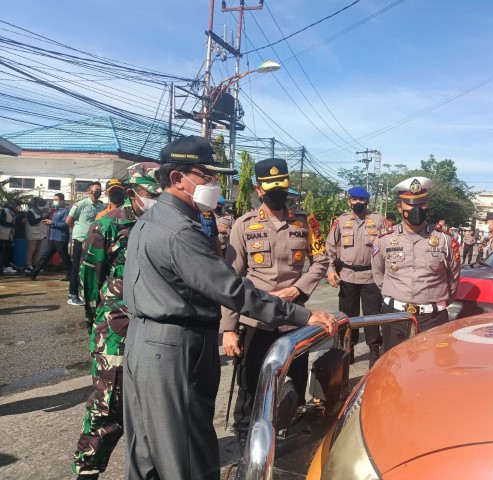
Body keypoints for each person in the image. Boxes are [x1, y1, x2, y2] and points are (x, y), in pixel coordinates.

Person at [122, 136, 337, 480]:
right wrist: (302, 314)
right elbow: (232, 289)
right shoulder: (180, 231)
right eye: (206, 175)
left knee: (149, 453)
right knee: (187, 457)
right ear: (178, 179)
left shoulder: (153, 220)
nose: (214, 184)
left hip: (147, 342)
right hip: (175, 348)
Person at [221, 157, 329, 446]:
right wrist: (229, 329)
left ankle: (286, 436)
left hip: (294, 319)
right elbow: (231, 279)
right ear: (259, 190)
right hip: (256, 320)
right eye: (271, 190)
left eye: (282, 189)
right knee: (250, 385)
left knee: (294, 381)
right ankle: (245, 441)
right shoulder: (244, 225)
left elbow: (321, 261)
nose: (277, 195)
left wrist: (298, 290)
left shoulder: (305, 222)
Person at [72, 163, 162, 480]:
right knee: (107, 407)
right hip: (115, 330)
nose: (157, 199)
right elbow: (89, 282)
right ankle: (88, 470)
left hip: (154, 330)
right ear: (133, 191)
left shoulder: (163, 224)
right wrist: (95, 326)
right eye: (151, 193)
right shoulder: (108, 225)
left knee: (152, 407)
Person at [371, 177, 462, 351]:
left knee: (430, 365)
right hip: (395, 317)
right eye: (411, 204)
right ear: (399, 207)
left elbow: (454, 277)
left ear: (428, 206)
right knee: (394, 364)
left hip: (433, 318)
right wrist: (396, 294)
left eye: (422, 203)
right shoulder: (384, 239)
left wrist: (432, 302)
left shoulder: (444, 239)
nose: (417, 209)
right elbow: (378, 273)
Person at [325, 186, 385, 367]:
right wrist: (330, 269)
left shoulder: (378, 220)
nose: (358, 203)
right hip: (347, 276)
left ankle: (374, 350)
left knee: (372, 316)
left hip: (371, 276)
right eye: (355, 200)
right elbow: (330, 246)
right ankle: (348, 348)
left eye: (362, 200)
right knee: (347, 316)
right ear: (349, 202)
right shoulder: (341, 221)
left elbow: (388, 245)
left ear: (367, 201)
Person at [66, 182, 105, 306]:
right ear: (89, 191)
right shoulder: (81, 204)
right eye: (96, 189)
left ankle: (87, 294)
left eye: (100, 189)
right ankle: (72, 295)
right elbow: (69, 220)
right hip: (81, 240)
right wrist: (78, 231)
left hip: (94, 241)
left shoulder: (101, 206)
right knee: (77, 268)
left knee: (91, 268)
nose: (98, 191)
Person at [30, 193, 72, 281]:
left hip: (60, 239)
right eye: (54, 199)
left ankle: (71, 275)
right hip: (53, 238)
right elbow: (55, 223)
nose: (54, 201)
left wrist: (52, 222)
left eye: (56, 200)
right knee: (45, 256)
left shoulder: (65, 211)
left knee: (65, 258)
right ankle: (34, 273)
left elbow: (65, 224)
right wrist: (48, 222)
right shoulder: (56, 211)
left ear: (61, 201)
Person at [24, 197, 47, 273]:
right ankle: (28, 265)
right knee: (31, 251)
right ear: (35, 205)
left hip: (40, 234)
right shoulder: (30, 212)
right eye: (40, 205)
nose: (42, 207)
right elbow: (32, 222)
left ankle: (34, 264)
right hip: (32, 234)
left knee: (37, 250)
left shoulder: (39, 212)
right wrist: (41, 218)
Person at [0, 200, 17, 274]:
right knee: (5, 251)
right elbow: (2, 221)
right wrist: (11, 224)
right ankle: (5, 267)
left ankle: (7, 266)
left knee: (9, 251)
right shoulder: (4, 211)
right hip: (3, 235)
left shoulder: (12, 212)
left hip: (9, 235)